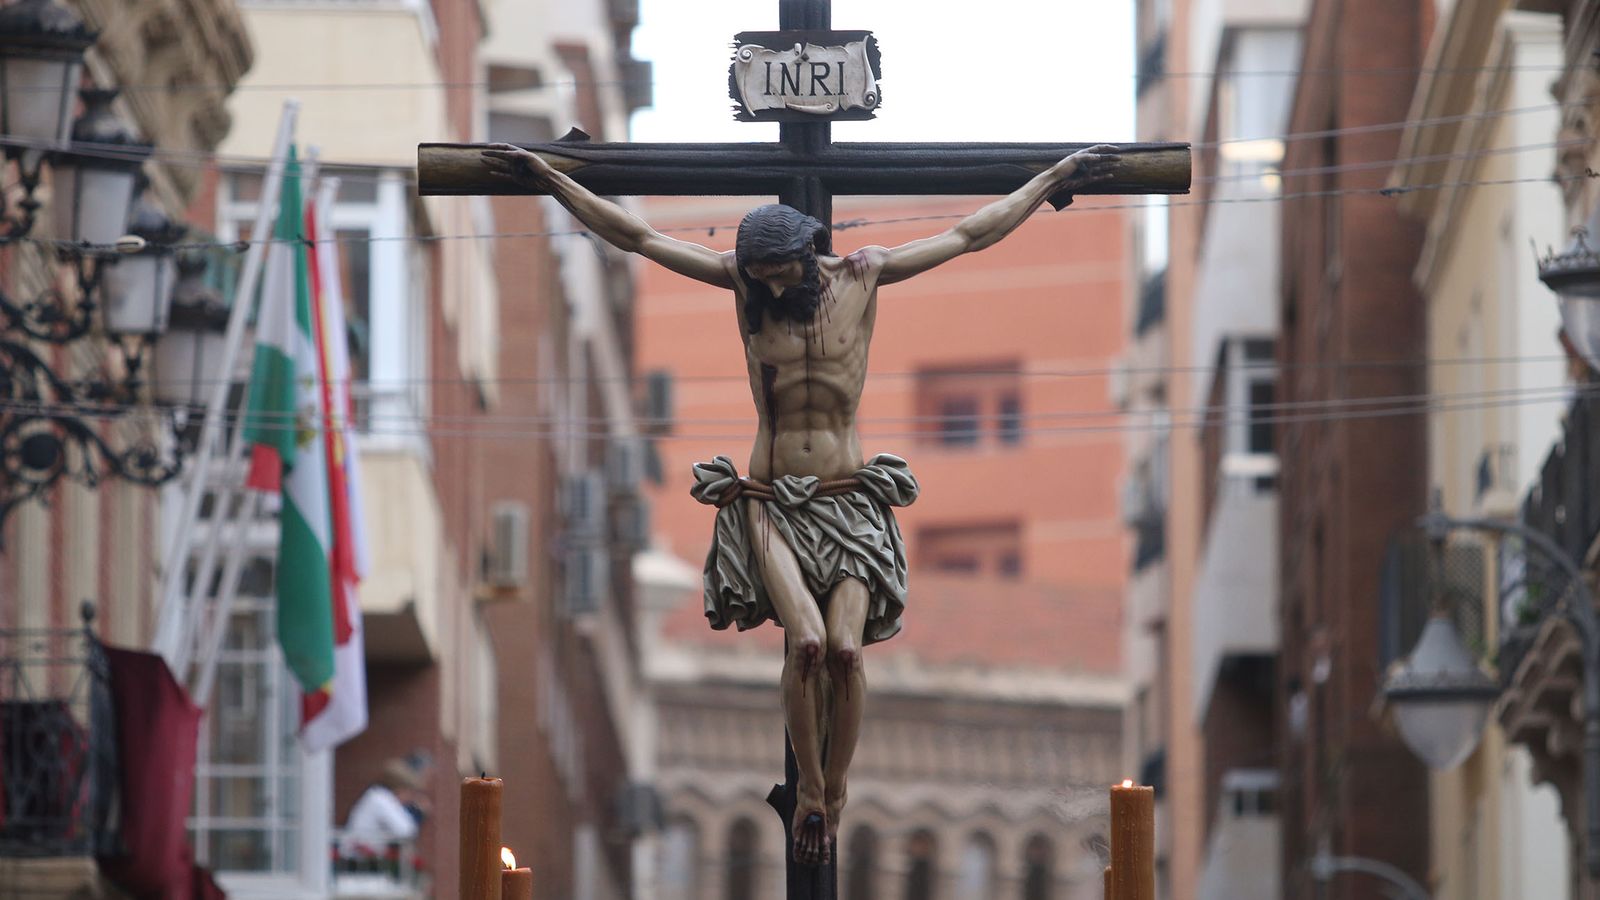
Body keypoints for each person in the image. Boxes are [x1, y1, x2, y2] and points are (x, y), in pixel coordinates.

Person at [482, 140, 1120, 866]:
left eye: (780, 274)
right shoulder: (744, 289)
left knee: (847, 654)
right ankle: (808, 795)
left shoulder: (865, 275)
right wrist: (549, 176)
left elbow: (972, 232)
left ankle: (834, 794)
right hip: (775, 503)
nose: (771, 288)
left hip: (850, 501)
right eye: (759, 277)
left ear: (806, 252)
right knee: (808, 645)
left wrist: (1055, 178)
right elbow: (637, 236)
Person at [339, 757, 429, 862]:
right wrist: (417, 812)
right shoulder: (380, 799)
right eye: (410, 793)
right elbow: (406, 830)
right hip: (356, 861)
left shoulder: (378, 796)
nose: (410, 799)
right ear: (400, 789)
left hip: (363, 859)